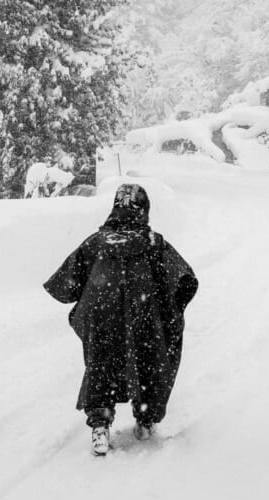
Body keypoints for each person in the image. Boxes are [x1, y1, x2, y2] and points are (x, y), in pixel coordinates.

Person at [44, 182, 198, 457]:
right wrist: (169, 311)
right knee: (148, 362)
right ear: (143, 209)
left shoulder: (95, 243)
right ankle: (145, 420)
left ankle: (100, 427)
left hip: (102, 318)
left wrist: (89, 303)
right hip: (144, 319)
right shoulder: (154, 244)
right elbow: (184, 280)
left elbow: (65, 284)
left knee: (101, 365)